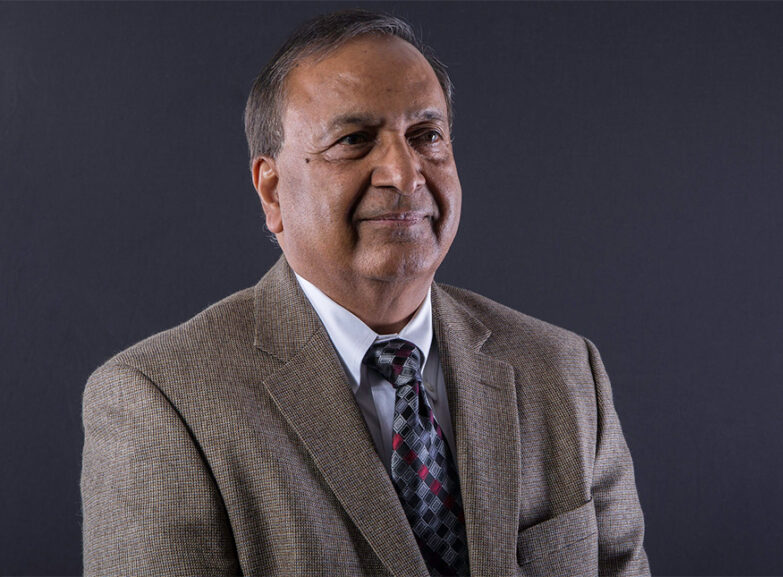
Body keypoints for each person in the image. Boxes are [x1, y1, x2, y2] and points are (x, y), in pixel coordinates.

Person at [81, 9, 649, 576]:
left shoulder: (565, 372)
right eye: (354, 140)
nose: (405, 174)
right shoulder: (162, 405)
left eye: (426, 136)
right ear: (272, 192)